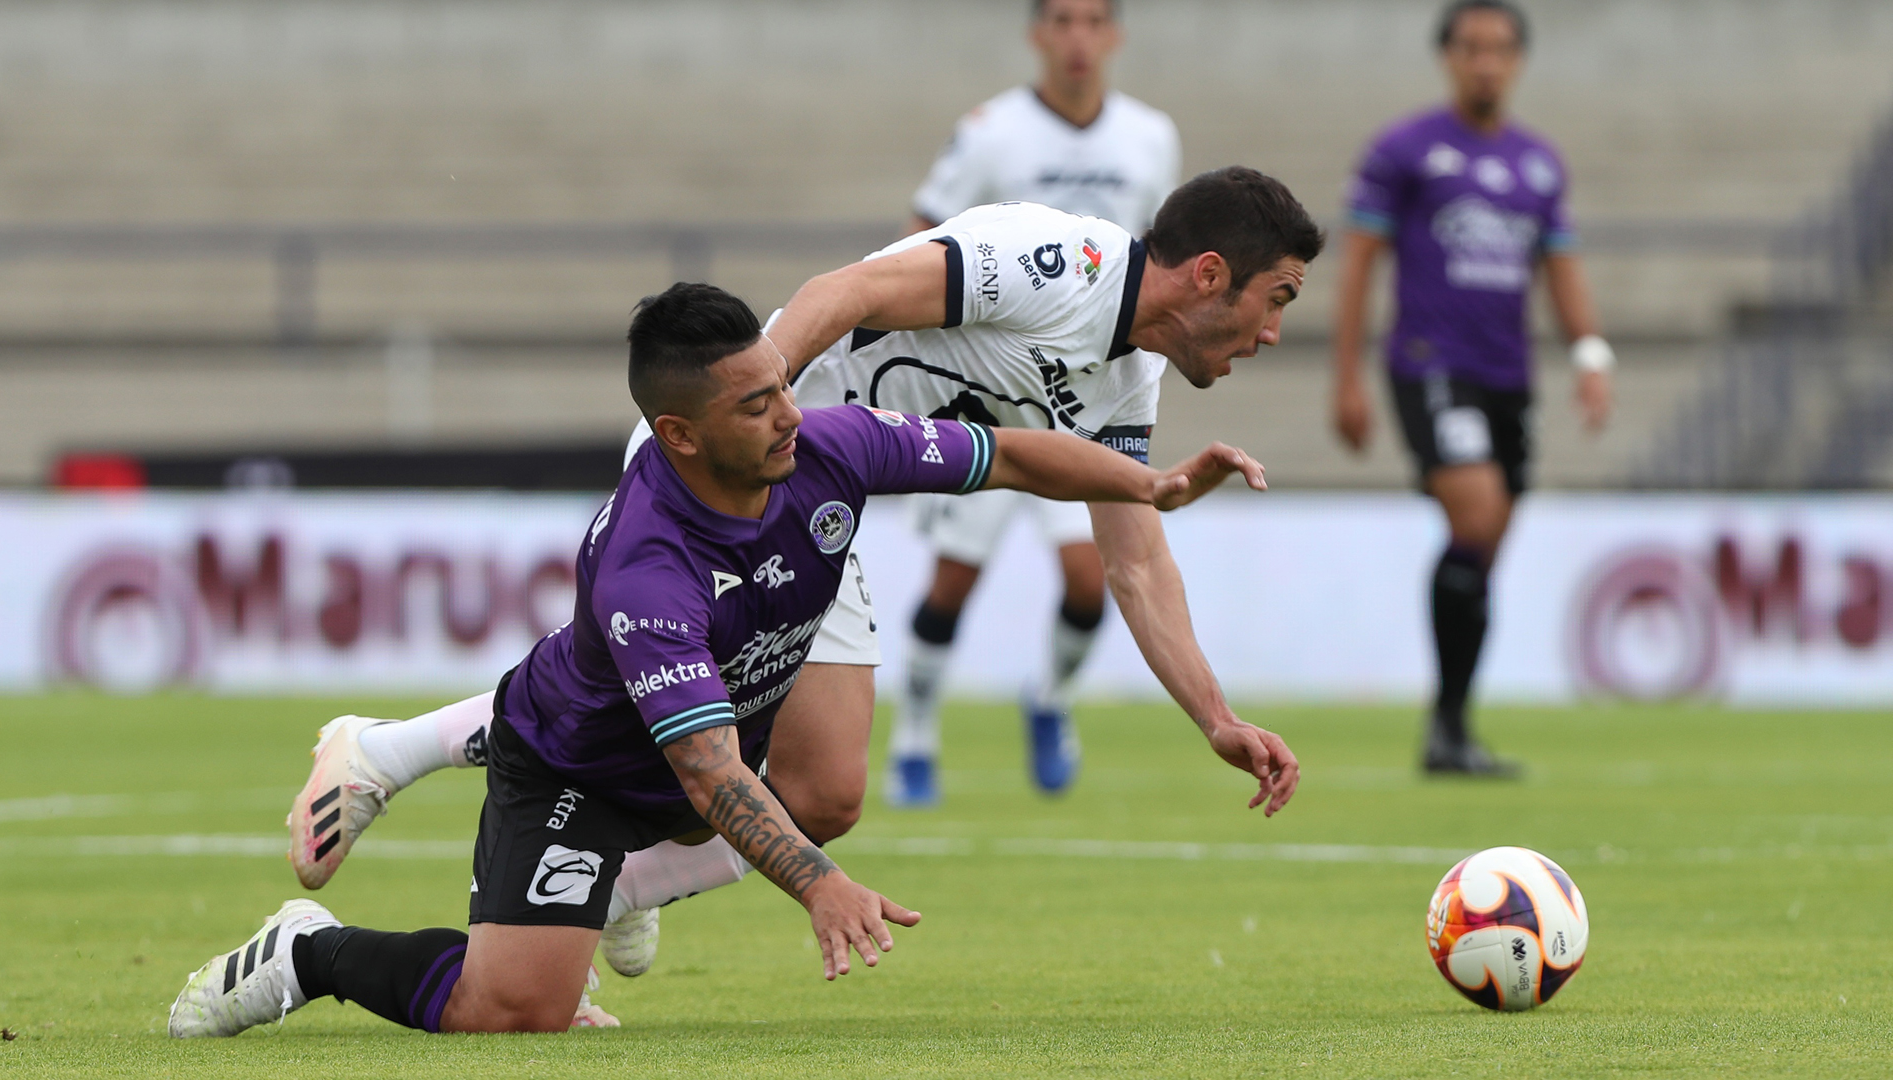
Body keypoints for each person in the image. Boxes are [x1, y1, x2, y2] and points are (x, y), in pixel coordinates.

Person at [288, 166, 1319, 989]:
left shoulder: (1125, 379)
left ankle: (607, 885)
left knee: (822, 791)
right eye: (1275, 302)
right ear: (1209, 274)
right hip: (730, 475)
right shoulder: (1060, 261)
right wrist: (748, 419)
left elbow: (1133, 553)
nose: (1272, 335)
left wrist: (1214, 716)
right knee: (667, 735)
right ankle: (385, 753)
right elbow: (849, 292)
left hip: (822, 498)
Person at [893, 0, 1182, 806]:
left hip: (1082, 400)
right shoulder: (992, 131)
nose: (1078, 37)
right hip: (982, 395)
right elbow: (925, 234)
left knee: (1090, 579)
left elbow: (1161, 254)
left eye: (1094, 20)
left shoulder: (1149, 136)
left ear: (1115, 34)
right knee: (952, 582)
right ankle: (915, 735)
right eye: (1062, 20)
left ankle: (1051, 700)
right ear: (1037, 34)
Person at [1329, 0, 1612, 776]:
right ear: (1448, 56)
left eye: (1499, 48)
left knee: (1483, 547)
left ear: (1518, 60)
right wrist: (1346, 376)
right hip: (1430, 363)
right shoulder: (1405, 150)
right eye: (1471, 46)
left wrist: (1589, 355)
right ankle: (1447, 728)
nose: (1485, 61)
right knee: (1478, 513)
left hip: (1508, 376)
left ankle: (1450, 727)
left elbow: (1560, 265)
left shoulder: (1539, 164)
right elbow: (1358, 263)